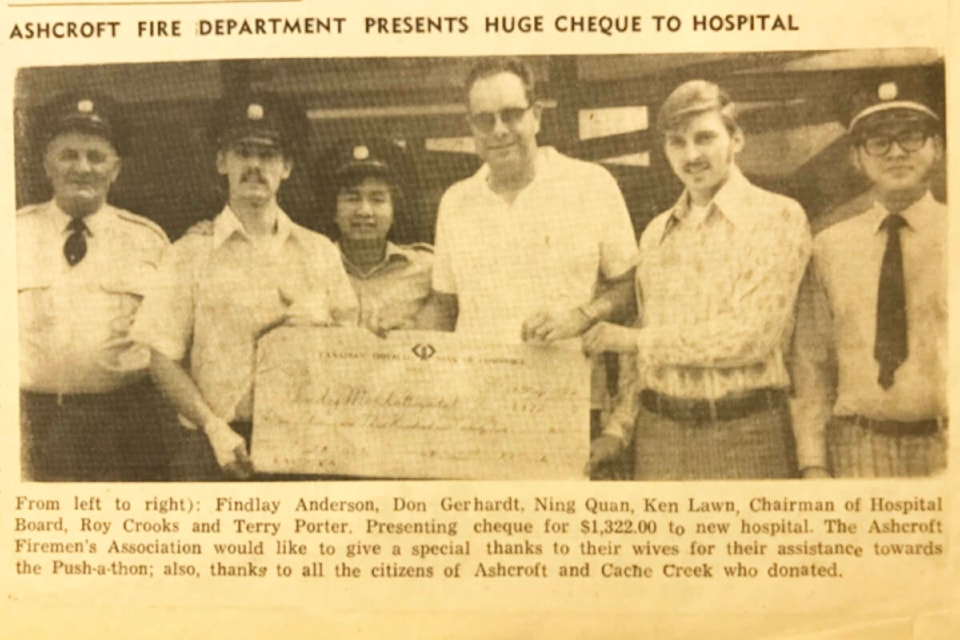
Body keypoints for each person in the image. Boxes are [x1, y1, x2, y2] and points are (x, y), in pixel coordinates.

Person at [583, 79, 811, 480]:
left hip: (743, 434)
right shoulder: (656, 232)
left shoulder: (778, 217)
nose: (691, 155)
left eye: (705, 138)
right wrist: (618, 432)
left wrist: (632, 340)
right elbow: (643, 357)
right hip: (659, 439)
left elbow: (749, 337)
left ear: (736, 138)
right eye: (676, 142)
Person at [131, 95, 358, 480]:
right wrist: (214, 429)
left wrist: (321, 334)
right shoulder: (187, 254)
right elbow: (161, 358)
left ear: (286, 167)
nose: (254, 165)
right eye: (242, 152)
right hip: (214, 447)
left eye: (268, 155)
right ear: (222, 162)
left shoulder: (319, 252)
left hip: (305, 447)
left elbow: (349, 353)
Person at [790, 78, 946, 478]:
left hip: (946, 448)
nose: (895, 152)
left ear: (938, 148)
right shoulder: (830, 247)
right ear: (857, 158)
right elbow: (812, 365)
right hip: (857, 447)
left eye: (911, 136)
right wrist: (813, 463)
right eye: (877, 141)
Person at [18, 93, 172, 481]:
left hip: (124, 426)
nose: (82, 168)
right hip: (31, 422)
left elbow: (172, 342)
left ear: (115, 169)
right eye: (69, 155)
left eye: (96, 156)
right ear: (47, 164)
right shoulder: (13, 234)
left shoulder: (148, 241)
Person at [432, 57, 638, 343]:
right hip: (478, 383)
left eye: (512, 114)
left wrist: (582, 316)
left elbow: (630, 288)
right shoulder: (455, 202)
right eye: (484, 120)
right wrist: (397, 335)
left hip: (569, 382)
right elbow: (444, 308)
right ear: (471, 126)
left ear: (536, 116)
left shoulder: (591, 184)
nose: (499, 130)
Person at [325, 139, 439, 333]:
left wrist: (416, 328)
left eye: (378, 199)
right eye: (352, 198)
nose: (364, 211)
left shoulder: (427, 270)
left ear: (394, 210)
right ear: (334, 211)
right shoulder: (309, 267)